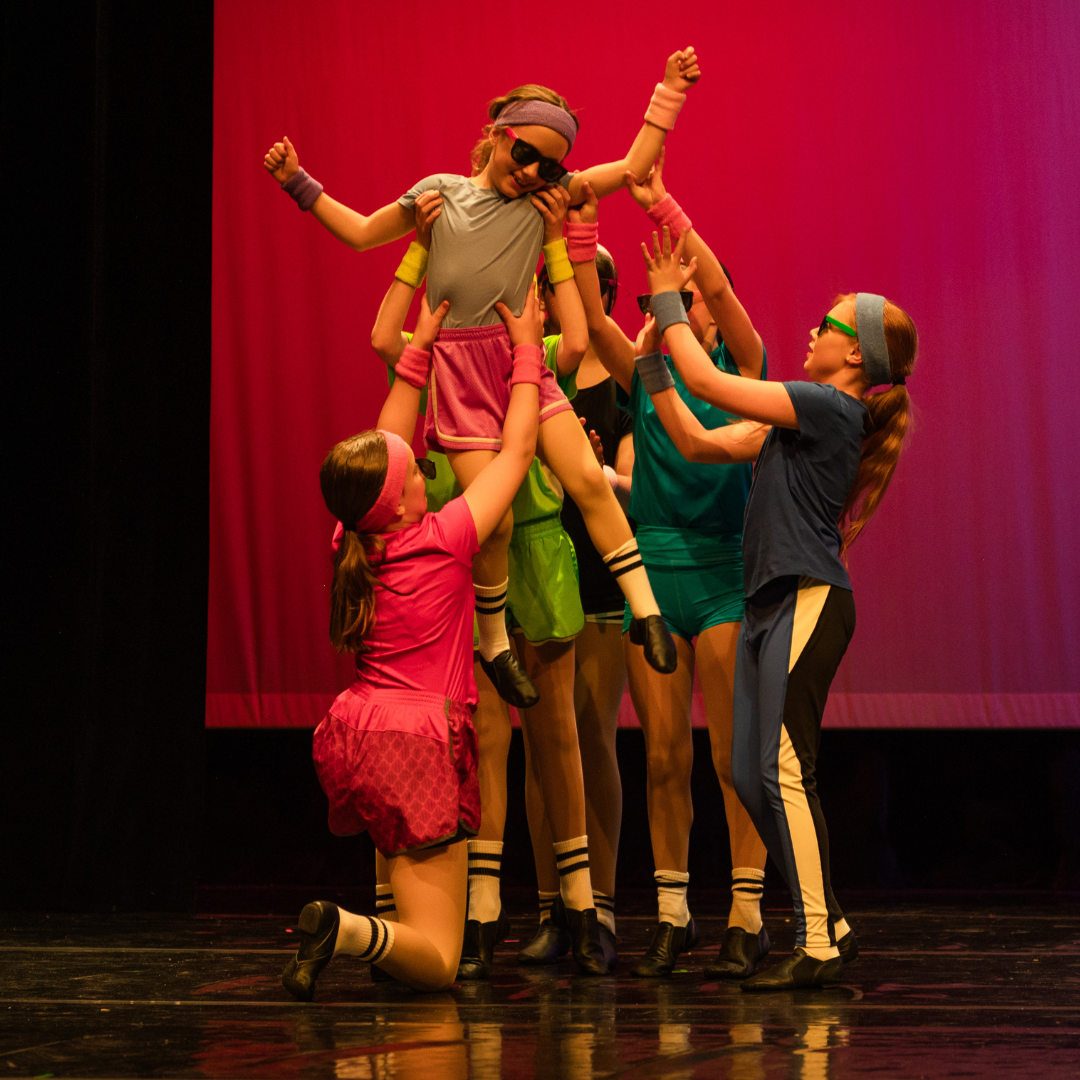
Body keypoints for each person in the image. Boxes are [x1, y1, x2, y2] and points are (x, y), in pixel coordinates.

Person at [263, 52, 704, 705]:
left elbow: (633, 167)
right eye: (525, 154)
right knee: (490, 525)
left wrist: (669, 91)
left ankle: (647, 613)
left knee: (588, 479)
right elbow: (361, 233)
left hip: (517, 361)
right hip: (459, 375)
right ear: (498, 134)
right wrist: (298, 181)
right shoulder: (442, 193)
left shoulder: (544, 203)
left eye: (549, 167)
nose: (532, 173)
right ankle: (495, 645)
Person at [637, 227, 918, 990]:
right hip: (767, 601)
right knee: (748, 772)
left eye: (827, 324)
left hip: (806, 596)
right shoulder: (798, 421)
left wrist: (668, 300)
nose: (812, 331)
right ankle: (831, 920)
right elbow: (697, 441)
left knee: (784, 769)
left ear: (854, 354)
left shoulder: (827, 405)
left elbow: (710, 382)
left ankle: (818, 940)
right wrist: (648, 362)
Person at [281, 288, 544, 998]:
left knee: (408, 923)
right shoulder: (444, 539)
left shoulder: (354, 540)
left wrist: (419, 348)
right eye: (412, 470)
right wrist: (526, 350)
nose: (422, 463)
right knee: (440, 959)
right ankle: (344, 929)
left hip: (365, 731)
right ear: (399, 501)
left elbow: (387, 441)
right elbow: (518, 450)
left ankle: (369, 933)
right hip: (420, 746)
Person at [369, 205, 609, 977]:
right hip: (461, 554)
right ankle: (481, 907)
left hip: (534, 546)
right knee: (484, 737)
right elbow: (384, 338)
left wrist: (558, 245)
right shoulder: (435, 350)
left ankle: (578, 905)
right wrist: (417, 249)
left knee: (557, 731)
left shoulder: (532, 347)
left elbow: (577, 343)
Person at [569, 169, 772, 979]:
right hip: (653, 575)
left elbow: (715, 289)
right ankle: (674, 913)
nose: (675, 307)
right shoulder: (646, 373)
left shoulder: (742, 369)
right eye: (664, 300)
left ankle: (748, 915)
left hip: (722, 571)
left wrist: (668, 215)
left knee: (730, 757)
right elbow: (591, 319)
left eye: (690, 300)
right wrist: (578, 226)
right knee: (660, 758)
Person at [516, 235, 631, 969]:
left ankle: (603, 907)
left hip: (599, 574)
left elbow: (635, 479)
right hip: (539, 569)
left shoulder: (620, 375)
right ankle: (552, 908)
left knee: (592, 736)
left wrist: (595, 471)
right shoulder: (532, 369)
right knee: (539, 748)